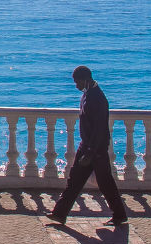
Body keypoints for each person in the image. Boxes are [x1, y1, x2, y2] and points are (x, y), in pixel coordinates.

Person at [48, 65, 129, 229]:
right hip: (86, 146)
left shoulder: (97, 98)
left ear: (85, 79)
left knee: (105, 182)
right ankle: (59, 214)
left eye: (76, 82)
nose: (75, 85)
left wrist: (91, 152)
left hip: (95, 149)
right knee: (74, 181)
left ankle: (119, 215)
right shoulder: (88, 94)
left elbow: (99, 128)